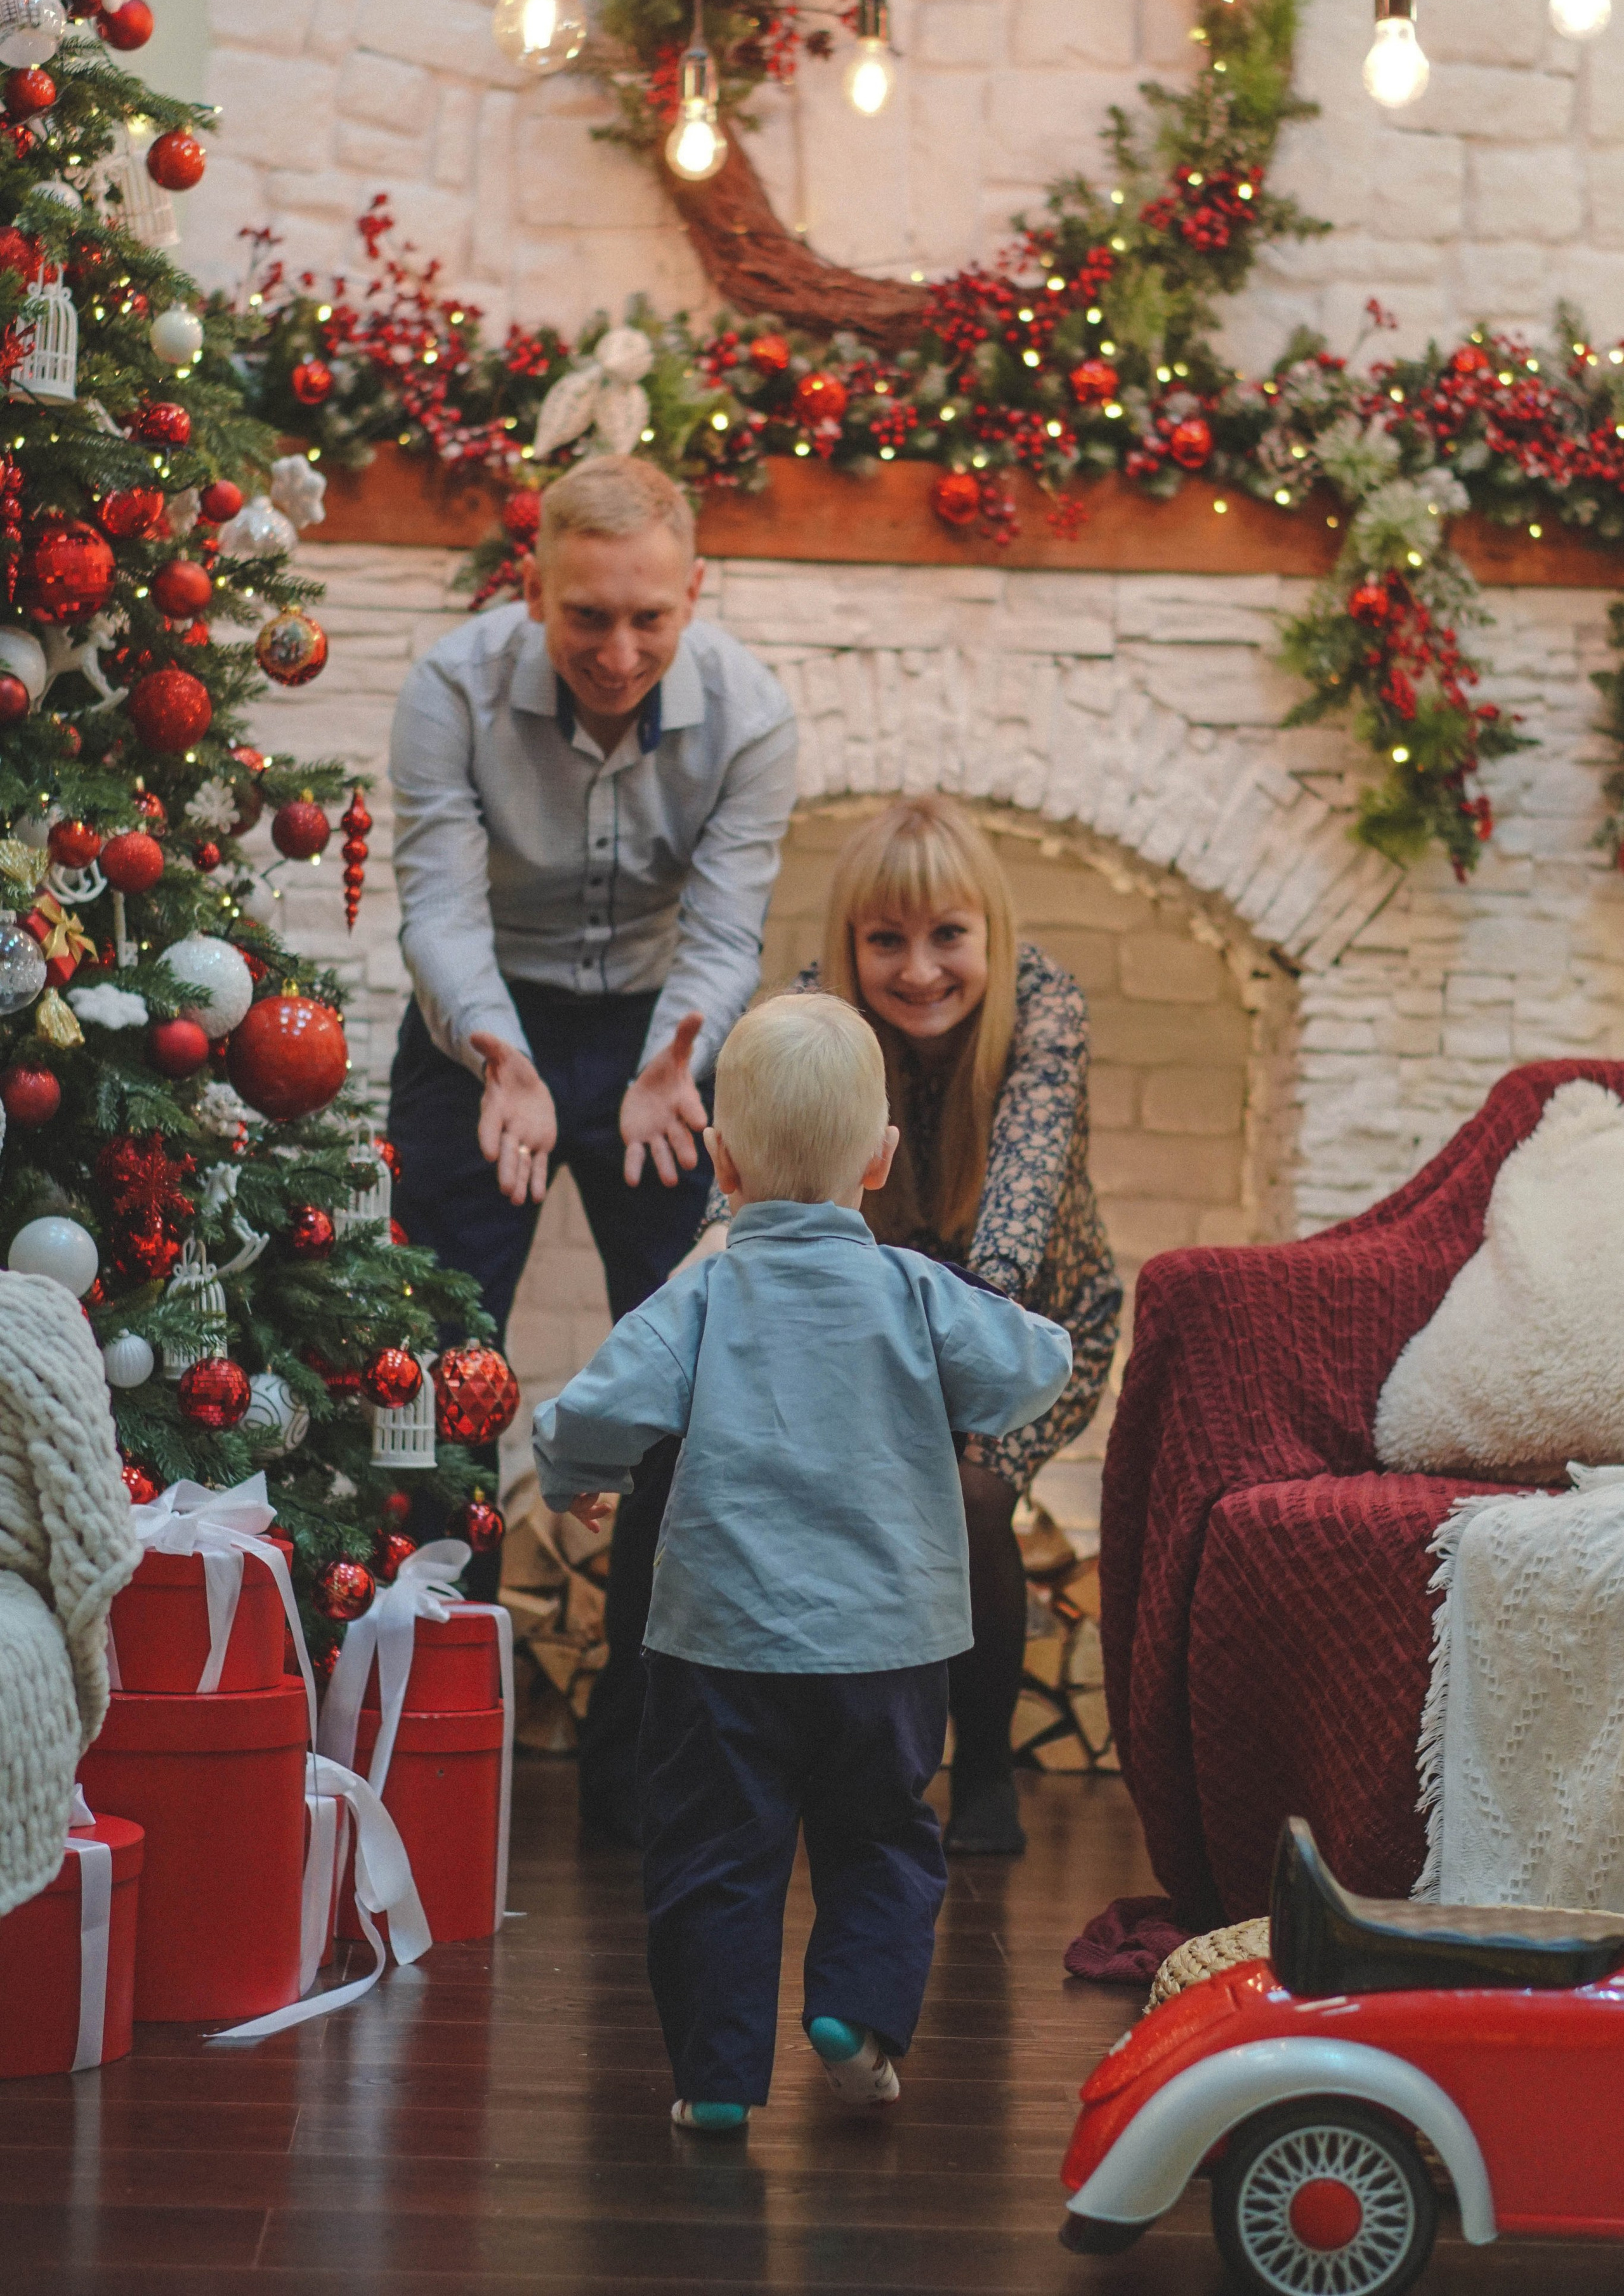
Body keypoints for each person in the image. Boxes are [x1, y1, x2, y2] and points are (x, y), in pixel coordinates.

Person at [533, 993, 1071, 2132]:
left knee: (714, 1858)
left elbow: (596, 1406)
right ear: (880, 1159)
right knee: (883, 1836)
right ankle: (858, 2016)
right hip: (891, 1644)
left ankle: (719, 2079)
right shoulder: (916, 1291)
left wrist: (575, 1470)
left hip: (723, 1644)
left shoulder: (703, 1291)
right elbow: (1035, 1368)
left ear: (721, 1163)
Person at [386, 454, 797, 1837]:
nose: (618, 652)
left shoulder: (752, 713)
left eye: (647, 618)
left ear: (694, 594)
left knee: (684, 1370)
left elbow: (728, 930)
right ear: (533, 589)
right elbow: (439, 905)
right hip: (479, 1025)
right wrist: (497, 1056)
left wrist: (679, 1052)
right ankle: (430, 1713)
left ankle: (642, 1740)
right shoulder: (449, 689)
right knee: (435, 1363)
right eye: (586, 617)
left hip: (659, 1037)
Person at [693, 796, 1122, 1856]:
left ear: (991, 932)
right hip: (863, 1323)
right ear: (850, 941)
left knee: (969, 1494)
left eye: (948, 936)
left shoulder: (1045, 1009)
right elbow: (743, 1176)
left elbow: (1022, 1193)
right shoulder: (810, 1016)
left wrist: (969, 1341)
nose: (920, 970)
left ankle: (984, 1770)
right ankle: (820, 1762)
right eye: (887, 939)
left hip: (1028, 1316)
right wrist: (706, 1270)